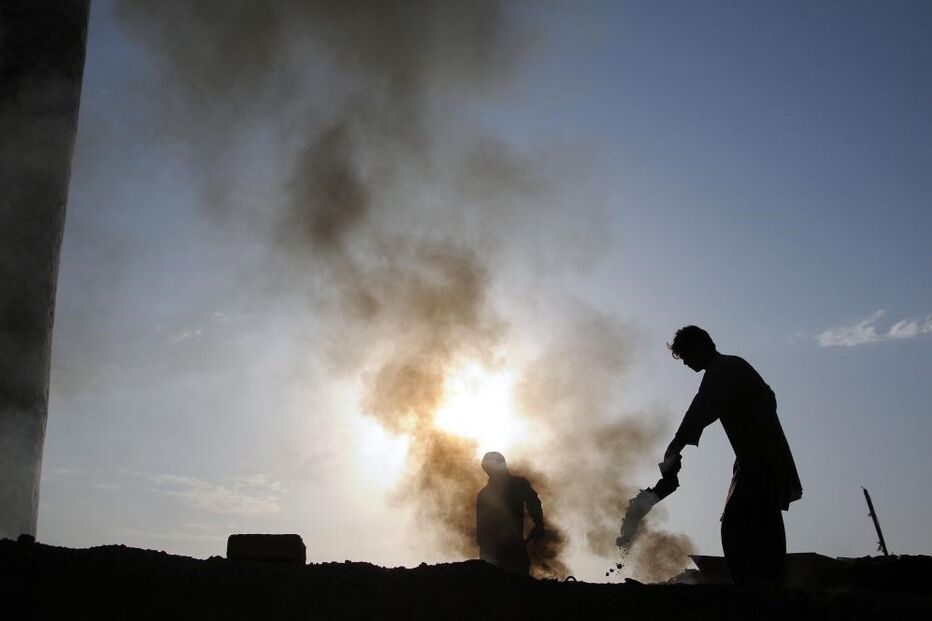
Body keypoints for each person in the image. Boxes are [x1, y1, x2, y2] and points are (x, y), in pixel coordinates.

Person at [659, 326, 802, 586]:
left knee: (736, 527)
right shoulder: (732, 368)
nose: (686, 362)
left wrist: (675, 446)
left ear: (702, 346)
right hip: (754, 460)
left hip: (760, 462)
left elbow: (701, 409)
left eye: (687, 355)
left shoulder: (724, 371)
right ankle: (770, 589)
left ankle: (754, 593)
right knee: (762, 526)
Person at [476, 452, 544, 575]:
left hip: (510, 550)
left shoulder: (516, 485)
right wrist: (539, 524)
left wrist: (539, 523)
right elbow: (481, 529)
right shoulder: (485, 494)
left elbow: (533, 503)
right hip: (498, 553)